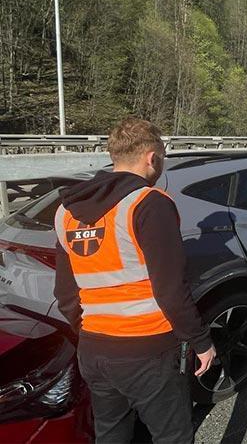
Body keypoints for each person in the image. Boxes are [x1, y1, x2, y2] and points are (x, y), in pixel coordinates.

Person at [54, 118, 216, 442]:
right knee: (173, 436)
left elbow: (65, 293)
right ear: (152, 158)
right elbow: (170, 292)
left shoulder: (65, 212)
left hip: (94, 351)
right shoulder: (148, 203)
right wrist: (202, 342)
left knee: (111, 435)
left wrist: (91, 333)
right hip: (148, 351)